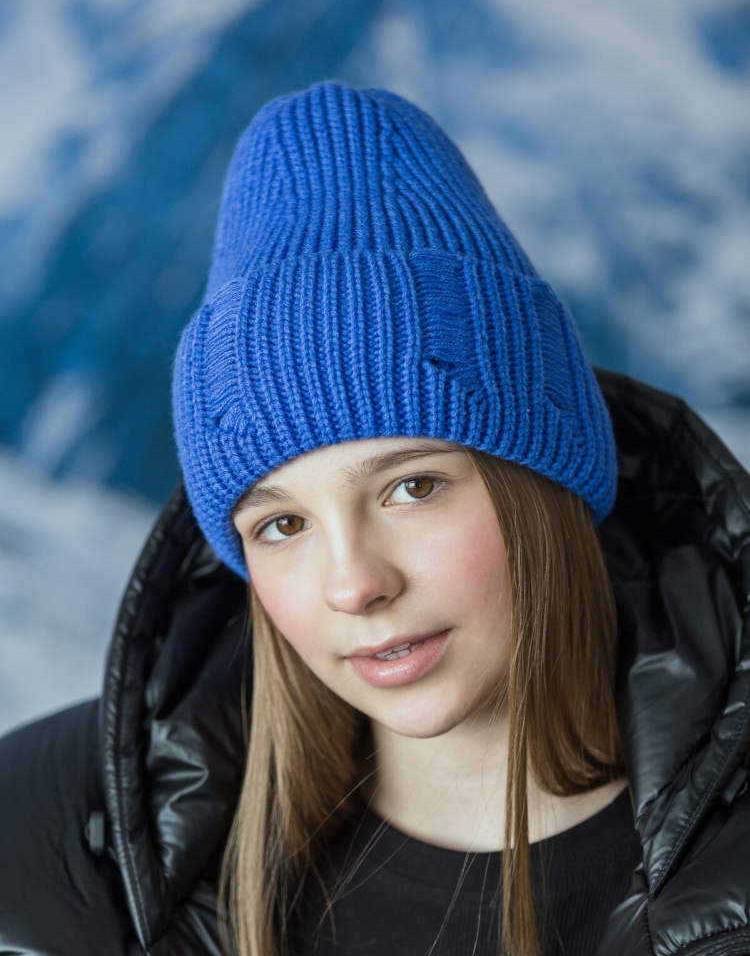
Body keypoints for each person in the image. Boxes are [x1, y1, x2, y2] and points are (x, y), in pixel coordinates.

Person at [0, 82, 749, 956]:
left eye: (413, 488)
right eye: (282, 526)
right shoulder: (55, 836)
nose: (355, 584)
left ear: (547, 481)